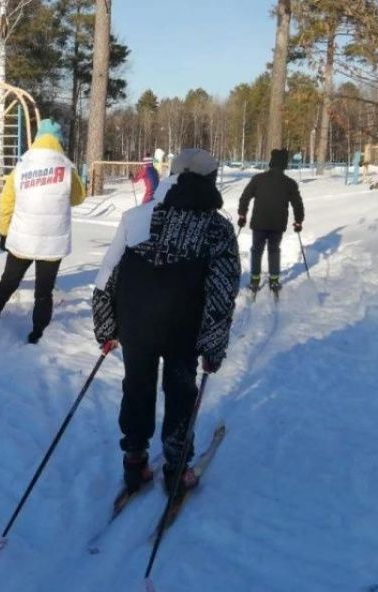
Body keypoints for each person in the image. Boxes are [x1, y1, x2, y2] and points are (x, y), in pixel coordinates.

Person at [92, 148, 240, 495]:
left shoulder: (138, 216)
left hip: (136, 324)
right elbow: (221, 292)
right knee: (180, 393)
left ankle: (134, 459)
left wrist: (106, 325)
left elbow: (107, 276)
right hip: (182, 330)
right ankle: (176, 467)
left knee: (137, 387)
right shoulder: (216, 228)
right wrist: (213, 345)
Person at [0, 119, 86, 344]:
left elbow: (7, 202)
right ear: (59, 141)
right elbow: (78, 198)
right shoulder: (66, 168)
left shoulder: (22, 166)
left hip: (22, 238)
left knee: (9, 281)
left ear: (37, 139)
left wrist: (4, 232)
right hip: (52, 242)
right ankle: (38, 332)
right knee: (43, 291)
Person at [237, 148, 305, 296]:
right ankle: (274, 280)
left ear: (271, 162)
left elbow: (245, 197)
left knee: (256, 250)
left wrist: (242, 214)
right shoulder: (289, 183)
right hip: (278, 224)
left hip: (259, 223)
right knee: (274, 250)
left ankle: (255, 280)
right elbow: (297, 204)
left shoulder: (258, 179)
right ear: (284, 165)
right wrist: (298, 221)